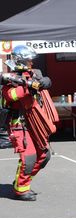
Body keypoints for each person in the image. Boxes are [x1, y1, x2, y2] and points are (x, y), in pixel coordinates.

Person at [0, 45, 52, 201]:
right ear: (21, 60)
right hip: (19, 123)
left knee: (44, 155)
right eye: (29, 59)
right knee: (29, 157)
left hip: (35, 121)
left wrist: (44, 82)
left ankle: (22, 182)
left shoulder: (34, 74)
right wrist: (27, 86)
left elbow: (46, 83)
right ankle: (21, 189)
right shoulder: (10, 80)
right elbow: (11, 97)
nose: (31, 62)